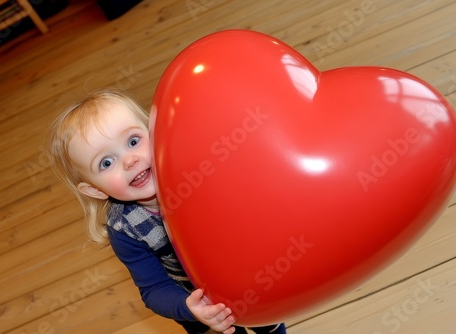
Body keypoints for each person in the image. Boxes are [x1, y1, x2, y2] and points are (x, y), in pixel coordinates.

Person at [49, 89, 287, 334]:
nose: (129, 161)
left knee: (269, 323)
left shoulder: (198, 172)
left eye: (133, 141)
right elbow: (153, 288)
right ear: (95, 190)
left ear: (155, 132)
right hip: (192, 302)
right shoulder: (124, 229)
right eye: (106, 163)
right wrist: (188, 307)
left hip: (245, 277)